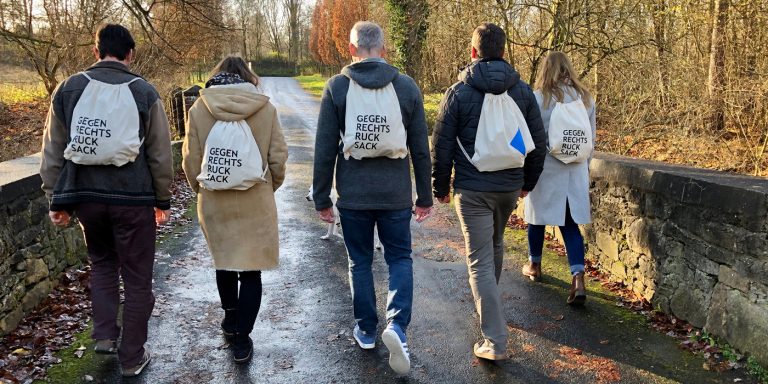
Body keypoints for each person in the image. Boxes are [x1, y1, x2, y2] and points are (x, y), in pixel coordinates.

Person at [40, 24, 172, 377]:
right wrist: (162, 198)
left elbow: (53, 148)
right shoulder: (144, 92)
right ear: (130, 54)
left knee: (101, 265)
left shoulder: (69, 88)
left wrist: (56, 198)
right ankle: (131, 358)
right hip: (133, 200)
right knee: (138, 277)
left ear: (95, 52)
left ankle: (104, 336)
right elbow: (160, 153)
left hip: (86, 199)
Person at [312, 21, 433, 375]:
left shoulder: (338, 87)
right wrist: (423, 195)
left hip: (353, 195)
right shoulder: (406, 86)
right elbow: (420, 149)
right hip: (395, 193)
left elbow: (324, 149)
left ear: (351, 49)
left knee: (360, 261)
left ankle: (366, 329)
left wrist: (322, 197)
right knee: (399, 258)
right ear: (383, 48)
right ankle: (397, 326)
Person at [431, 23, 547, 361]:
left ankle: (494, 341)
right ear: (503, 51)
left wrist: (440, 185)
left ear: (473, 52)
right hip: (509, 186)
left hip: (472, 188)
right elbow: (538, 144)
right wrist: (528, 182)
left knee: (480, 259)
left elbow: (442, 145)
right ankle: (490, 311)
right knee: (494, 245)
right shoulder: (522, 92)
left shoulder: (458, 92)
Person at [182, 56, 288, 363]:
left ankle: (230, 319)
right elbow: (278, 158)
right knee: (250, 270)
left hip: (214, 199)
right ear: (248, 77)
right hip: (255, 197)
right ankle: (243, 339)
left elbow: (190, 159)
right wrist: (269, 187)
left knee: (224, 262)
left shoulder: (200, 108)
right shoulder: (264, 108)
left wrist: (200, 189)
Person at [522, 51, 596, 305]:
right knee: (569, 224)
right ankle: (577, 276)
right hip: (574, 172)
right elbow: (590, 142)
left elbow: (532, 138)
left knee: (537, 219)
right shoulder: (586, 99)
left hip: (546, 169)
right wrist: (582, 169)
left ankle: (534, 265)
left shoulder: (539, 98)